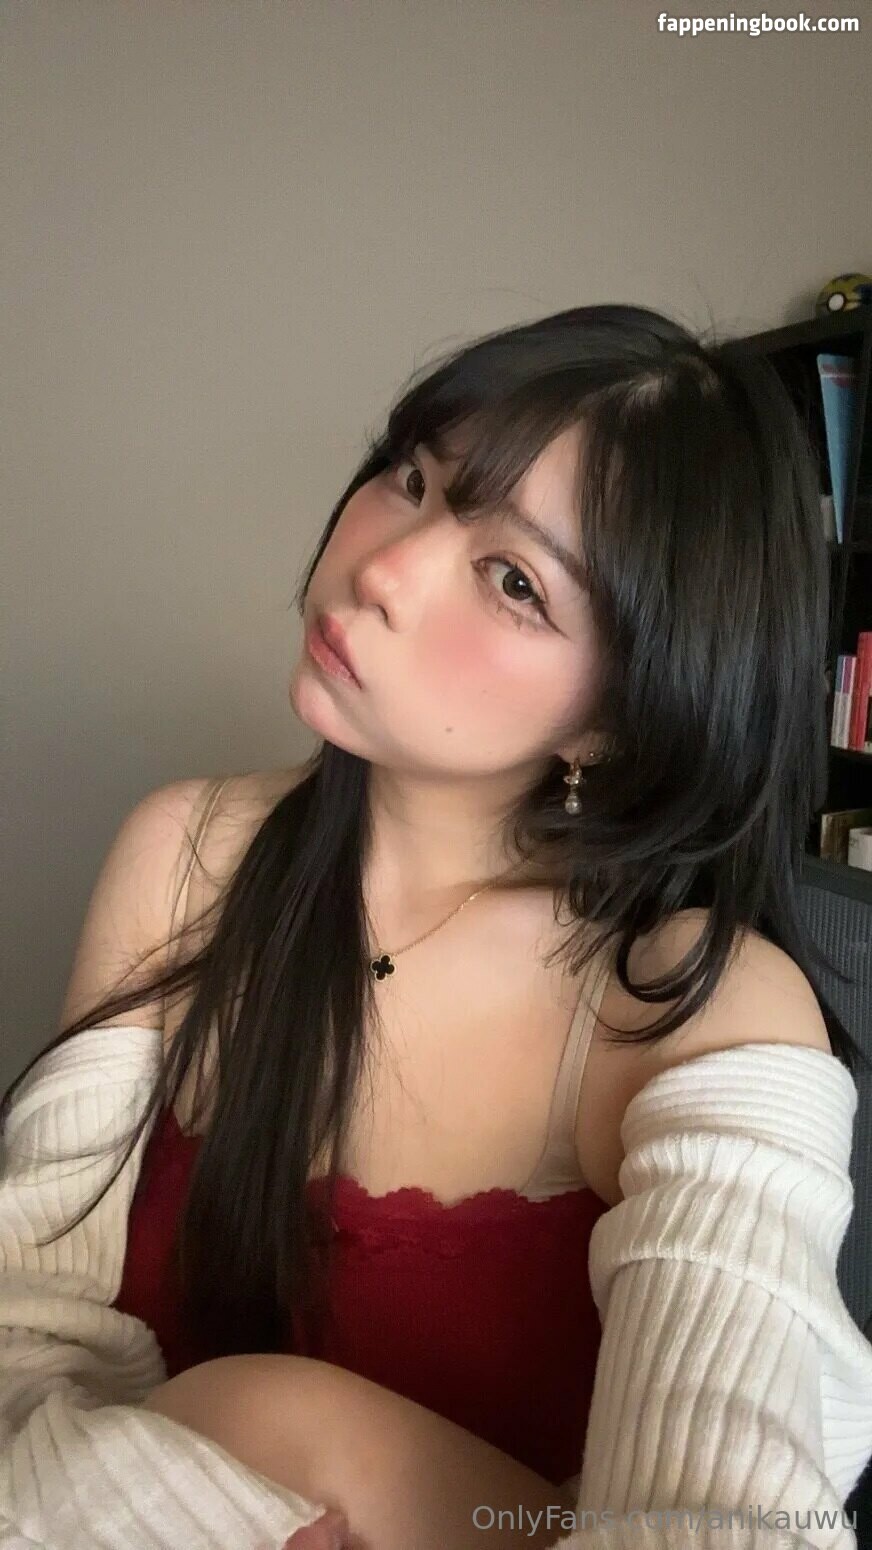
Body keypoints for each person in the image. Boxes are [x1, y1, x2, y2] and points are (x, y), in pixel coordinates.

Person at [2, 302, 872, 1550]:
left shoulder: (687, 1005)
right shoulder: (187, 858)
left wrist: (297, 1433)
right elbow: (21, 1340)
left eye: (514, 581)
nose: (385, 567)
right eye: (410, 479)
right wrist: (247, 1452)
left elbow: (721, 1524)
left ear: (618, 714)